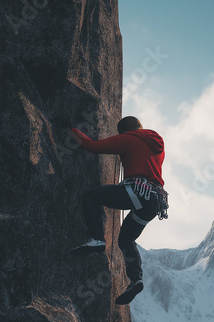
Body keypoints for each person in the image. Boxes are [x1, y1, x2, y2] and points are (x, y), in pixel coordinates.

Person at [62, 116, 168, 305]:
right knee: (126, 239)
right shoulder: (158, 145)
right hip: (155, 202)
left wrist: (71, 129)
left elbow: (92, 146)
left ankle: (97, 239)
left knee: (91, 196)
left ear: (124, 131)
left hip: (136, 191)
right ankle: (135, 279)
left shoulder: (127, 139)